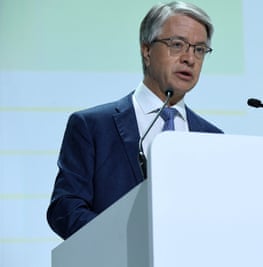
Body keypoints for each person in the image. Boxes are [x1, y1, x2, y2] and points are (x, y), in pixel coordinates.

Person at [47, 1, 223, 240]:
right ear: (146, 50)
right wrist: (128, 239)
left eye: (199, 49)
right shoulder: (92, 126)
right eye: (177, 45)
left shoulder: (213, 139)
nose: (189, 58)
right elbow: (65, 209)